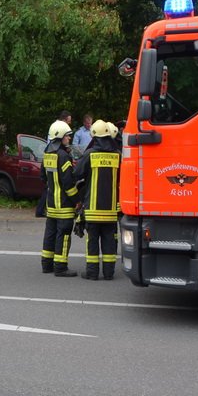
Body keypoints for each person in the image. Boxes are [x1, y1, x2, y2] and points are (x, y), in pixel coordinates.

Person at [74, 120, 120, 280]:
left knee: (92, 242)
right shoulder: (117, 155)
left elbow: (77, 173)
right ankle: (109, 273)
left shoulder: (89, 154)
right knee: (109, 241)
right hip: (111, 210)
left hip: (93, 210)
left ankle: (92, 273)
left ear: (94, 136)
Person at [40, 120, 80, 277]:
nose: (69, 139)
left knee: (50, 234)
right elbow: (68, 184)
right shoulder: (64, 156)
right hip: (63, 206)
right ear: (60, 137)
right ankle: (61, 267)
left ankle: (46, 264)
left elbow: (42, 177)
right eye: (67, 136)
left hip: (51, 205)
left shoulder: (47, 154)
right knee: (63, 236)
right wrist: (77, 200)